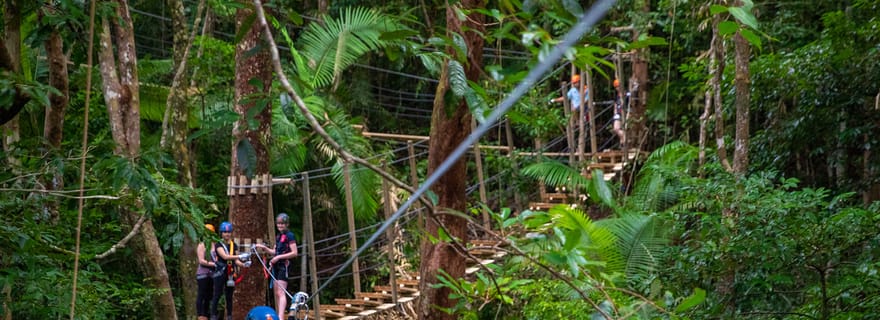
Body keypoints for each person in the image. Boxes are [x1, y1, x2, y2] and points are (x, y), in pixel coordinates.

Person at [254, 213, 298, 319]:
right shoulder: (279, 236)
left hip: (284, 265)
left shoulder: (289, 235)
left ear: (287, 224)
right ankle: (279, 314)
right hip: (277, 266)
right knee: (276, 292)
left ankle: (281, 316)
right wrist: (264, 248)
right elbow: (275, 251)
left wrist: (279, 258)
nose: (280, 226)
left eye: (282, 224)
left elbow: (294, 252)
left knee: (281, 291)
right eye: (278, 224)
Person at [210, 221, 252, 320]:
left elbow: (236, 261)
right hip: (220, 272)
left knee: (229, 295)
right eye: (225, 232)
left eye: (228, 232)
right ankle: (213, 315)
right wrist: (240, 255)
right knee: (217, 294)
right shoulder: (218, 245)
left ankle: (229, 316)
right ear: (221, 233)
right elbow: (225, 257)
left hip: (230, 273)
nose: (227, 234)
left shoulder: (234, 245)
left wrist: (243, 264)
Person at [196, 224, 217, 320]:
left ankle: (207, 314)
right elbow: (201, 260)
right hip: (203, 274)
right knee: (202, 294)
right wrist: (213, 264)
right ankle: (201, 314)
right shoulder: (201, 245)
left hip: (213, 274)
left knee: (210, 294)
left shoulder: (215, 245)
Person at [611, 78, 626, 146]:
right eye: (616, 87)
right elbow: (615, 104)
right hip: (618, 113)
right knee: (616, 128)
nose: (617, 88)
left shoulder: (626, 94)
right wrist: (615, 112)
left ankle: (624, 139)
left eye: (618, 86)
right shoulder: (617, 95)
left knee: (617, 128)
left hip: (623, 113)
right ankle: (623, 138)